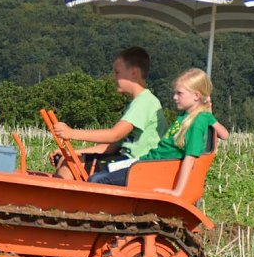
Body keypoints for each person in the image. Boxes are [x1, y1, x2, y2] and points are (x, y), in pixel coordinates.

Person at [89, 68, 228, 197]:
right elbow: (225, 135)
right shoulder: (194, 116)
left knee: (97, 180)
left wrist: (177, 192)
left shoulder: (196, 123)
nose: (174, 97)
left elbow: (190, 159)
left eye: (179, 93)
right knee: (103, 170)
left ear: (196, 95)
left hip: (154, 168)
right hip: (147, 162)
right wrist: (209, 109)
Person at [51, 47, 168, 179]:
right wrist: (71, 153)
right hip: (126, 160)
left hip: (137, 165)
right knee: (68, 160)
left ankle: (56, 192)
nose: (114, 77)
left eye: (117, 72)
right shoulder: (139, 102)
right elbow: (111, 147)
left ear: (134, 73)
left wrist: (71, 133)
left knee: (69, 165)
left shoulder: (144, 102)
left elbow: (114, 135)